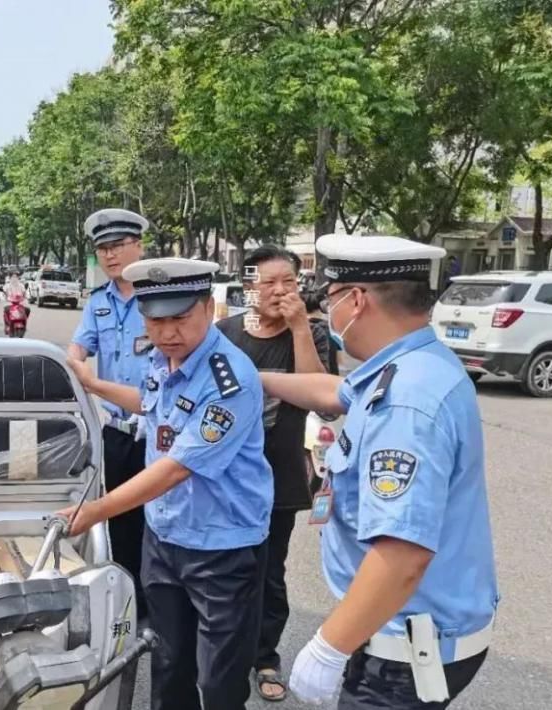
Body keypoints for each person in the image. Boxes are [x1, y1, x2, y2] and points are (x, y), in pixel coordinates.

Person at [260, 235, 498, 709]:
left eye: (328, 299)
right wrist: (254, 378)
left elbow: (403, 554)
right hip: (416, 629)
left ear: (356, 299)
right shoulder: (412, 362)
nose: (326, 311)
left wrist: (329, 646)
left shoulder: (406, 402)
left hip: (404, 653)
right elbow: (334, 392)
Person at [62, 257, 273, 710]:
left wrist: (96, 510)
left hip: (221, 547)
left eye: (179, 318)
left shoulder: (228, 380)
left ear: (210, 309)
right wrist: (94, 385)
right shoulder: (164, 358)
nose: (167, 332)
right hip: (164, 537)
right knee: (168, 662)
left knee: (218, 680)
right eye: (155, 320)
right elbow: (149, 403)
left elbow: (178, 466)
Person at [216, 245, 330, 703]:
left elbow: (320, 396)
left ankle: (264, 655)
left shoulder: (312, 334)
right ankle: (225, 648)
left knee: (268, 570)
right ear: (251, 287)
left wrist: (301, 326)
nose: (280, 291)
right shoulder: (224, 333)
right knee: (224, 566)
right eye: (269, 282)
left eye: (289, 281)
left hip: (279, 474)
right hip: (225, 473)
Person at [67, 208, 150, 618]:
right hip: (116, 432)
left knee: (158, 521)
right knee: (117, 517)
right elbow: (78, 350)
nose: (110, 256)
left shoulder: (159, 296)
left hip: (159, 431)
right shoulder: (99, 303)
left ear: (139, 245)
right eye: (102, 249)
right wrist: (72, 360)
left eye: (118, 246)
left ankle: (157, 604)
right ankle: (128, 600)